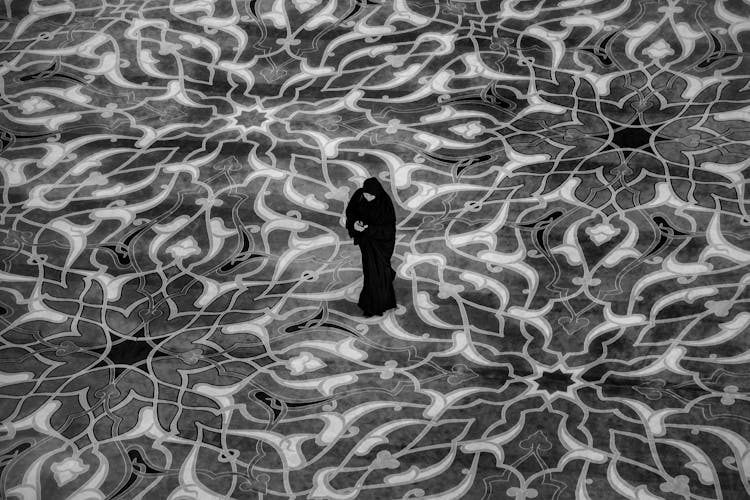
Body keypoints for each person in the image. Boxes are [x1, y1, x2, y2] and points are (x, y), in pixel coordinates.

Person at [345, 177, 397, 317]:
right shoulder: (359, 195)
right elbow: (351, 213)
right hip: (366, 242)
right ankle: (374, 304)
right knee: (371, 272)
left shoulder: (385, 203)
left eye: (371, 196)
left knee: (377, 272)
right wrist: (354, 224)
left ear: (377, 194)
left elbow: (388, 230)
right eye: (366, 194)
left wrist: (369, 229)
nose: (368, 198)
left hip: (381, 244)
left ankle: (374, 306)